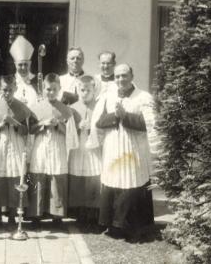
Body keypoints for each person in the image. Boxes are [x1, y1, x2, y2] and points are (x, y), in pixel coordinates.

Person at [90, 64, 158, 241]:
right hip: (113, 148)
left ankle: (133, 228)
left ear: (132, 75)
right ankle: (113, 226)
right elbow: (99, 122)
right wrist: (115, 116)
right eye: (118, 76)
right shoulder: (107, 97)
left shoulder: (143, 97)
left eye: (124, 75)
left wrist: (125, 116)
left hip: (133, 149)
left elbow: (149, 124)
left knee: (132, 183)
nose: (121, 79)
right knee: (113, 182)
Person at [27, 73, 79, 226]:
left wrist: (58, 124)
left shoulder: (66, 110)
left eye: (54, 89)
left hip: (57, 145)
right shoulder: (35, 108)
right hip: (41, 145)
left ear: (59, 89)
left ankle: (57, 216)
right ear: (43, 89)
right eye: (48, 89)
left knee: (56, 179)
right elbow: (31, 129)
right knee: (38, 177)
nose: (51, 92)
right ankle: (35, 215)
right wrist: (43, 124)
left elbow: (71, 133)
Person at [0, 75, 32, 228]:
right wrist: (0, 125)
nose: (7, 93)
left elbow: (27, 130)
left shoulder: (22, 107)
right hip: (1, 144)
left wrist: (14, 122)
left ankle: (13, 215)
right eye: (4, 90)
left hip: (16, 144)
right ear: (0, 89)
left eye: (10, 90)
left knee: (15, 179)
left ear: (15, 89)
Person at [68, 75, 102, 227]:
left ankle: (93, 211)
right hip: (79, 146)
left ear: (94, 90)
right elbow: (67, 130)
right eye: (82, 90)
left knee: (93, 178)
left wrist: (93, 127)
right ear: (77, 89)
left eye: (88, 90)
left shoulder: (100, 106)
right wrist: (76, 126)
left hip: (94, 148)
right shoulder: (72, 108)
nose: (85, 93)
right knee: (78, 178)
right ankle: (80, 212)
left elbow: (104, 126)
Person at [0, 35, 38, 107]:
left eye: (26, 64)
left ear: (30, 64)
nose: (23, 67)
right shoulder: (5, 81)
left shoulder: (37, 81)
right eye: (20, 64)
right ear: (15, 65)